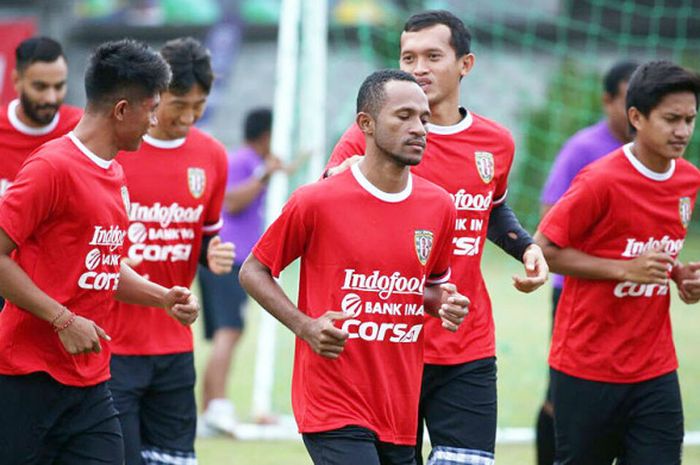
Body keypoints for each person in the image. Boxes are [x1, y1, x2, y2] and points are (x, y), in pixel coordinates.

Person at [324, 10, 548, 464]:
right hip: (390, 344)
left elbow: (490, 209)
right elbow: (330, 202)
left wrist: (527, 247)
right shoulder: (370, 139)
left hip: (466, 343)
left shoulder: (496, 142)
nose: (418, 68)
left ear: (465, 64)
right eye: (408, 57)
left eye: (432, 56)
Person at [240, 69, 470, 465]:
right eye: (404, 116)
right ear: (366, 123)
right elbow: (254, 270)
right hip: (333, 403)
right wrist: (305, 326)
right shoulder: (316, 201)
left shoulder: (440, 206)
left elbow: (428, 288)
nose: (419, 129)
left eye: (424, 118)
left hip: (399, 405)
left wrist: (443, 303)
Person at [0, 39, 199, 465]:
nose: (155, 120)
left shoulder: (113, 172)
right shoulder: (51, 167)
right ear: (122, 110)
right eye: (151, 108)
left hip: (89, 383)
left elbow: (103, 266)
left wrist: (161, 296)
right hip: (26, 377)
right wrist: (63, 319)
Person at [535, 60, 700, 465]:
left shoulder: (688, 180)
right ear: (636, 117)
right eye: (671, 119)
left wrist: (679, 275)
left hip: (654, 368)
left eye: (690, 119)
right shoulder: (600, 179)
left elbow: (648, 250)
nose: (682, 131)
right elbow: (544, 248)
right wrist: (625, 269)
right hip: (586, 368)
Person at [104, 37, 234, 465]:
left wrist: (210, 254)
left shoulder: (212, 155)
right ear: (155, 95)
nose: (190, 115)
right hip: (113, 345)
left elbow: (205, 237)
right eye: (180, 103)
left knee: (174, 460)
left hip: (175, 346)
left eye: (200, 104)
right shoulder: (116, 152)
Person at [535, 60, 639, 465]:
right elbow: (549, 217)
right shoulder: (584, 148)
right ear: (608, 100)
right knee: (560, 397)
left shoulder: (655, 156)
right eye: (629, 99)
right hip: (577, 294)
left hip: (632, 294)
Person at [198, 107, 282, 435]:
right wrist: (263, 175)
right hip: (226, 258)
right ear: (265, 135)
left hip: (236, 258)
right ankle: (215, 407)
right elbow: (231, 202)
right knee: (228, 332)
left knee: (230, 332)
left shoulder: (254, 163)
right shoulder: (242, 160)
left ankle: (212, 409)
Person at [0, 36, 82, 309]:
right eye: (40, 87)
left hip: (62, 284)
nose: (50, 98)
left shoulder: (81, 130)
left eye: (59, 87)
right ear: (16, 80)